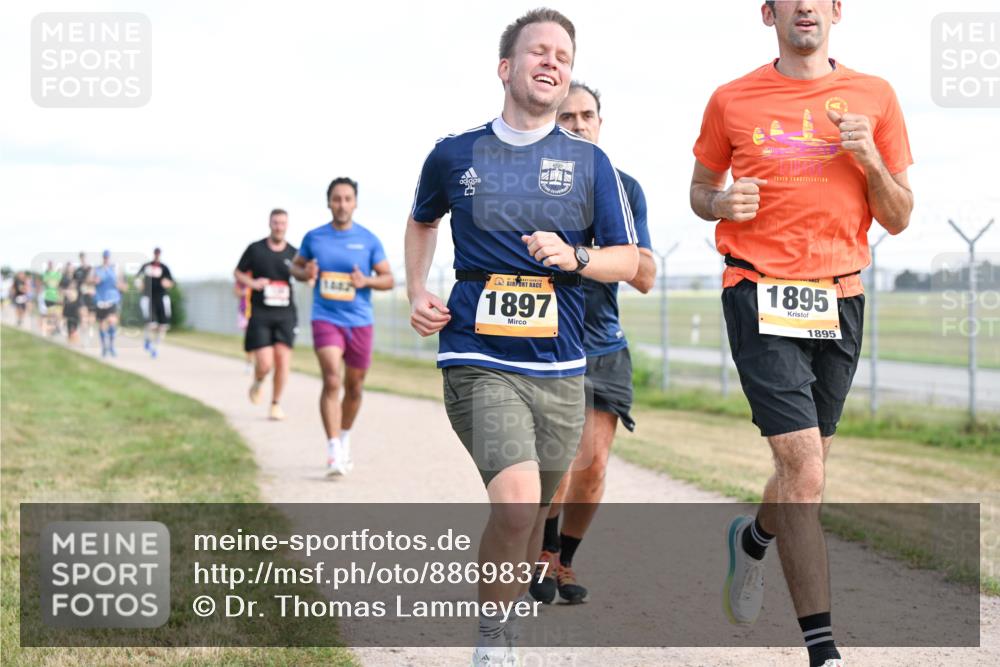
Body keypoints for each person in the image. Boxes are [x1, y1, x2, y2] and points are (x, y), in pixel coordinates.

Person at [405, 9, 638, 664]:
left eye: (563, 54)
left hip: (563, 366)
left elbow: (628, 259)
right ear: (506, 67)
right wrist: (416, 288)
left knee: (536, 513)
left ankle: (501, 614)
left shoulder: (591, 163)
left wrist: (576, 257)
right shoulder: (454, 153)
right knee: (514, 505)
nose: (551, 61)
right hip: (478, 355)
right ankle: (493, 639)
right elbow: (422, 221)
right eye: (538, 50)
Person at [689, 3, 913, 666]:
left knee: (805, 469)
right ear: (770, 12)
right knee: (805, 467)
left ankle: (755, 539)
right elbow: (701, 188)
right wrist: (720, 203)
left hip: (840, 297)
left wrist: (871, 157)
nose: (806, 5)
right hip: (758, 291)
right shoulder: (731, 99)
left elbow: (898, 217)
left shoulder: (876, 97)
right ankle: (825, 650)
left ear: (838, 10)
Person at [531, 81, 657, 606]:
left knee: (594, 465)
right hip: (545, 342)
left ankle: (564, 562)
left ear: (600, 122)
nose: (579, 125)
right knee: (556, 466)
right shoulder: (531, 186)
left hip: (604, 345)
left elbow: (646, 274)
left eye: (587, 116)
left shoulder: (623, 189)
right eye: (567, 118)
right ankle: (539, 553)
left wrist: (585, 254)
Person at [291, 178, 394, 474]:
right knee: (332, 380)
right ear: (328, 202)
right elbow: (296, 267)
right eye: (337, 199)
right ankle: (334, 448)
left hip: (360, 321)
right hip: (326, 318)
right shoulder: (315, 237)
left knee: (355, 386)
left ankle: (345, 435)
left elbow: (387, 279)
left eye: (347, 199)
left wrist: (367, 281)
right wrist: (305, 271)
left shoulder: (369, 239)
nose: (342, 204)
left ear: (355, 203)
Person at [235, 209, 300, 421]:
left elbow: (304, 273)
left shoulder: (294, 253)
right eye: (275, 222)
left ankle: (275, 404)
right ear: (269, 223)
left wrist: (309, 278)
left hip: (286, 315)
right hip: (261, 314)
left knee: (282, 360)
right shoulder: (255, 249)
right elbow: (237, 272)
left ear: (287, 225)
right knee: (264, 363)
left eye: (282, 223)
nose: (279, 226)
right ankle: (259, 381)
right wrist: (253, 283)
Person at [136, 248, 175, 358]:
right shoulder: (147, 266)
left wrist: (168, 283)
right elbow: (137, 278)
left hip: (161, 298)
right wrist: (139, 285)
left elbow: (171, 282)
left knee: (162, 326)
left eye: (159, 254)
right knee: (151, 324)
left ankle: (155, 348)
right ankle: (147, 339)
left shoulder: (164, 268)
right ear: (154, 254)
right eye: (156, 253)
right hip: (149, 297)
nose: (157, 255)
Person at [93, 250, 125, 357]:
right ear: (103, 258)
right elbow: (92, 281)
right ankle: (104, 347)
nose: (106, 259)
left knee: (112, 322)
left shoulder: (114, 270)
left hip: (113, 300)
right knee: (102, 325)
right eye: (104, 257)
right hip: (101, 300)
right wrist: (95, 281)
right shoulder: (97, 270)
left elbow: (122, 286)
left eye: (107, 257)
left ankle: (111, 345)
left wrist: (119, 285)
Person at [41, 261, 63, 336]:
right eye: (49, 265)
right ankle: (53, 329)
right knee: (52, 314)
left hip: (56, 297)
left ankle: (56, 327)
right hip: (48, 297)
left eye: (51, 265)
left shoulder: (57, 274)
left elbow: (60, 283)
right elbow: (46, 283)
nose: (50, 266)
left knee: (56, 314)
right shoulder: (46, 274)